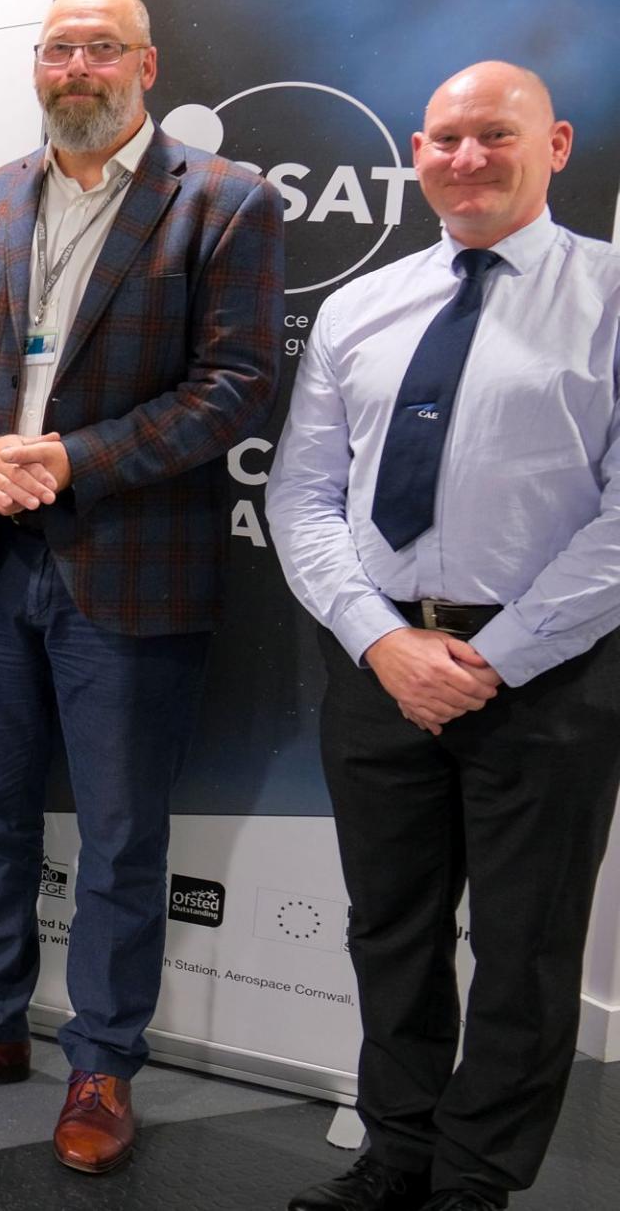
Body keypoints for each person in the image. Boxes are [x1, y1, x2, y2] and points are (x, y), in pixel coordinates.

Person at [0, 0, 285, 1173]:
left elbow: (236, 385)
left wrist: (68, 459)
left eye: (102, 48)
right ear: (35, 66)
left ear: (146, 65)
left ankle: (101, 1063)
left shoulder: (224, 202)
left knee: (118, 835)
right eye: (58, 49)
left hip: (129, 567)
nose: (77, 68)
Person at [270, 63, 619, 1211]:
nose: (466, 158)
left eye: (494, 136)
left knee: (523, 950)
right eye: (445, 139)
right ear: (415, 154)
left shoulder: (611, 296)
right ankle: (397, 1153)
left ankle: (473, 1185)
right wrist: (380, 642)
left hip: (549, 678)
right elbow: (302, 497)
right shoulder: (358, 307)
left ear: (556, 144)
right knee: (393, 931)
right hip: (379, 669)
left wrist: (494, 658)